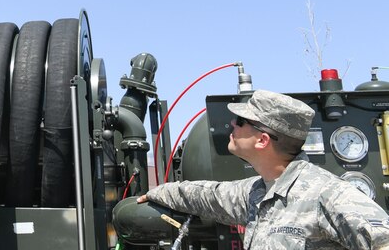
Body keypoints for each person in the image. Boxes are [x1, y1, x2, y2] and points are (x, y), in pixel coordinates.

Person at [137, 89, 389, 249]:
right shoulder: (257, 192)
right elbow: (205, 196)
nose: (233, 124)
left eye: (243, 122)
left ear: (262, 140)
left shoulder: (328, 195)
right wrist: (157, 192)